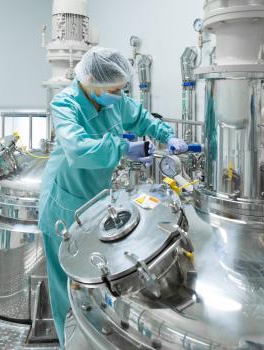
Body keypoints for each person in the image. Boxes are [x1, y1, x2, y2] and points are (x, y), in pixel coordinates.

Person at [38, 47, 188, 346]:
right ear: (91, 79)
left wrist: (165, 134)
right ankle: (68, 339)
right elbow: (78, 150)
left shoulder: (115, 102)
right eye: (114, 89)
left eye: (121, 89)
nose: (119, 95)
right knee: (65, 281)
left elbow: (142, 118)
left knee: (93, 276)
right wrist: (122, 148)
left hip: (97, 200)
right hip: (63, 203)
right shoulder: (66, 104)